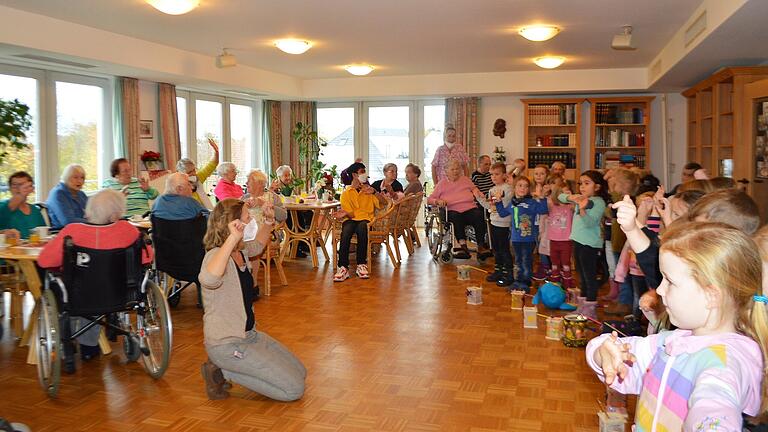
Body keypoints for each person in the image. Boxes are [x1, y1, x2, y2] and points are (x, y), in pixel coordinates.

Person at [586, 221, 768, 432]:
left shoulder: (725, 362)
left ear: (711, 296)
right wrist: (604, 352)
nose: (660, 290)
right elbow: (621, 360)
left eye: (670, 281)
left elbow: (714, 406)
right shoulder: (673, 341)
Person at [199, 198, 306, 401]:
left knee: (301, 372)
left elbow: (257, 246)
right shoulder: (215, 255)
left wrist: (268, 221)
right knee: (293, 390)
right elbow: (208, 279)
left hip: (249, 335)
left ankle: (230, 367)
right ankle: (222, 370)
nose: (250, 221)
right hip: (227, 344)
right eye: (247, 219)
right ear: (233, 225)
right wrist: (232, 239)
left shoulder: (241, 251)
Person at [38, 190, 154, 361]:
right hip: (122, 295)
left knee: (71, 287)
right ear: (115, 215)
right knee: (96, 288)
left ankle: (69, 340)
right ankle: (89, 347)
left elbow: (44, 261)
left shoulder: (72, 232)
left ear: (89, 210)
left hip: (79, 296)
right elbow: (148, 257)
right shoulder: (128, 230)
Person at [559, 170, 610, 319]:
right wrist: (571, 197)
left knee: (589, 277)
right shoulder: (582, 198)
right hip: (578, 241)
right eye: (581, 183)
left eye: (587, 183)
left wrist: (581, 208)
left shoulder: (598, 202)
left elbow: (589, 223)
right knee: (581, 275)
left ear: (598, 186)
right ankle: (582, 306)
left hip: (590, 244)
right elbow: (560, 197)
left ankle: (591, 308)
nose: (582, 186)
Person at [427, 159, 492, 260]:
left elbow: (474, 188)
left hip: (469, 209)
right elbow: (430, 199)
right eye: (452, 169)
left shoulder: (465, 180)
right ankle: (462, 247)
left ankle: (480, 246)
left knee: (479, 215)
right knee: (456, 217)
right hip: (452, 210)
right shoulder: (442, 184)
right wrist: (437, 201)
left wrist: (477, 192)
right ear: (446, 171)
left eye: (457, 169)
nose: (455, 171)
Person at [334, 162, 387, 282]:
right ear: (354, 175)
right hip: (351, 219)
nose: (365, 174)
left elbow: (384, 203)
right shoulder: (346, 193)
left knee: (363, 228)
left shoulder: (368, 190)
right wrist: (345, 214)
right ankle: (342, 267)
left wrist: (374, 192)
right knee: (346, 230)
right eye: (362, 172)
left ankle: (361, 264)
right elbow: (351, 214)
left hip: (366, 220)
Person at [495, 176, 548, 291]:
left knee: (526, 260)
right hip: (515, 238)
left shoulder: (531, 202)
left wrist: (542, 197)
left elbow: (543, 210)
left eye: (526, 186)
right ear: (514, 188)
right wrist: (498, 202)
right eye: (520, 185)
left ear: (529, 189)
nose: (523, 188)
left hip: (528, 239)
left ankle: (525, 282)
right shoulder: (512, 203)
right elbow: (503, 213)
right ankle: (518, 281)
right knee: (518, 261)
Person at [477, 163, 513, 285]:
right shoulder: (491, 190)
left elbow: (505, 205)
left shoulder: (508, 188)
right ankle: (498, 270)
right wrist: (480, 198)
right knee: (496, 249)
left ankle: (508, 273)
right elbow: (490, 206)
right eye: (491, 174)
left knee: (504, 249)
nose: (493, 177)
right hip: (494, 222)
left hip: (504, 223)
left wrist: (498, 199)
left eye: (497, 174)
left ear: (504, 175)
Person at [546, 176, 575, 288]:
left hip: (566, 240)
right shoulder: (552, 205)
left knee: (565, 262)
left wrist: (570, 196)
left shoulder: (571, 207)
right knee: (554, 261)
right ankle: (555, 280)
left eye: (567, 192)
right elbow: (546, 199)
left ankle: (567, 283)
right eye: (562, 193)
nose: (565, 195)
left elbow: (578, 202)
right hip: (553, 240)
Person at [177, 137, 219, 209]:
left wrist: (216, 151)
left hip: (204, 211)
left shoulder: (198, 177)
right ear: (181, 173)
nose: (193, 173)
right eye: (190, 172)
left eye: (194, 170)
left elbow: (213, 164)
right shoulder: (178, 185)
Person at [0, 172, 45, 238]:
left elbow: (43, 233)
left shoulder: (35, 210)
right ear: (10, 188)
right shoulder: (3, 206)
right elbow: (10, 206)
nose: (19, 189)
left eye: (22, 185)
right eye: (15, 185)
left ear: (31, 188)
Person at [46, 164, 88, 230]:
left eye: (82, 178)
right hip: (63, 233)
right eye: (75, 177)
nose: (80, 181)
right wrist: (91, 222)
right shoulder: (58, 193)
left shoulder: (81, 194)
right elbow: (67, 221)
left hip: (82, 230)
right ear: (67, 178)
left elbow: (91, 214)